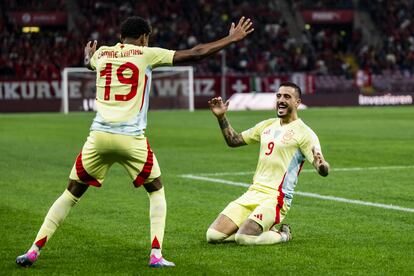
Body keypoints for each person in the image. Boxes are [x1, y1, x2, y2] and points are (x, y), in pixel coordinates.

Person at [16, 16, 254, 268]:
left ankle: (33, 251)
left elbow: (89, 65)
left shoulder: (103, 54)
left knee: (70, 194)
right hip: (130, 138)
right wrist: (232, 38)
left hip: (98, 137)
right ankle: (156, 255)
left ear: (121, 37)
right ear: (143, 37)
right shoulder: (146, 53)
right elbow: (196, 53)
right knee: (156, 191)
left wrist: (88, 56)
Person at [206, 82, 330, 245]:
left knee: (244, 238)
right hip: (253, 192)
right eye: (278, 96)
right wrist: (222, 117)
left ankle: (283, 235)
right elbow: (234, 140)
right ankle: (251, 229)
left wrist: (322, 165)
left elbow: (321, 167)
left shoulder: (305, 133)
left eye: (287, 96)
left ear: (297, 102)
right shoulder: (266, 125)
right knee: (213, 236)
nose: (281, 100)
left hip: (276, 198)